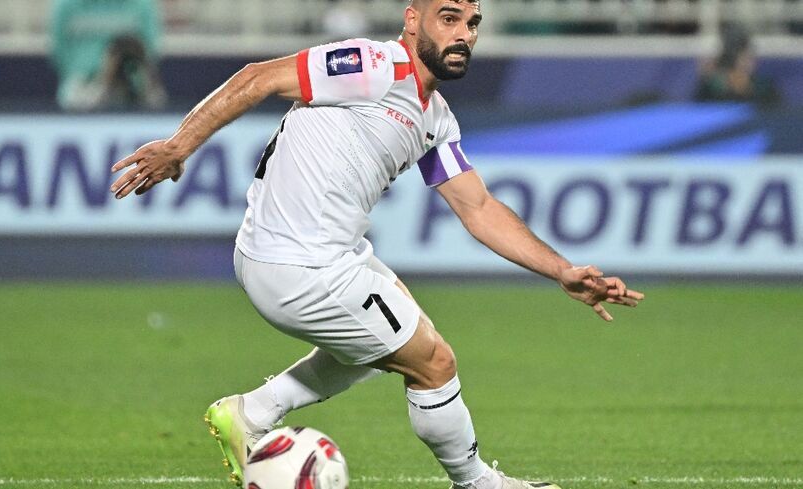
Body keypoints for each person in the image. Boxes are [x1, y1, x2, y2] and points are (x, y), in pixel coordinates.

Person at [110, 1, 645, 488]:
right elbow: (259, 77)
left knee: (394, 327)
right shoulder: (373, 66)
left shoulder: (435, 119)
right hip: (298, 264)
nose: (464, 35)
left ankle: (252, 412)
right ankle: (478, 483)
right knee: (433, 361)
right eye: (450, 18)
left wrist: (562, 271)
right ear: (413, 20)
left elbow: (477, 208)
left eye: (473, 23)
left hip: (315, 254)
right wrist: (179, 146)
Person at [50, 0, 167, 111]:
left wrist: (136, 81)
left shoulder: (141, 4)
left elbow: (150, 49)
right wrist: (85, 77)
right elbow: (59, 49)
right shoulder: (67, 4)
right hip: (82, 85)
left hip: (132, 87)